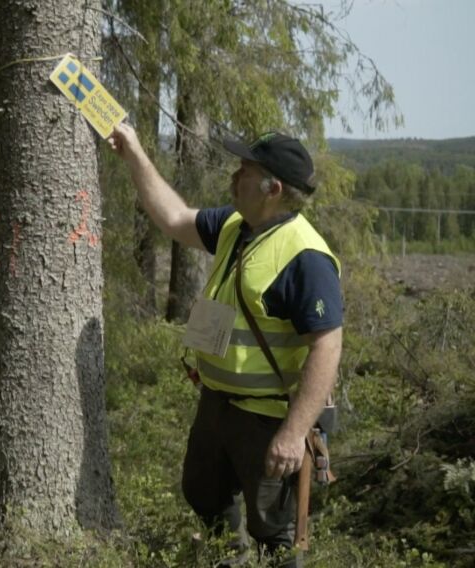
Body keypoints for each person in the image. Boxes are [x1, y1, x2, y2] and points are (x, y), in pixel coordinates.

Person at [108, 123, 343, 567]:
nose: (234, 177)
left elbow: (328, 347)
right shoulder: (239, 226)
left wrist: (293, 435)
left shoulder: (305, 257)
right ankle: (228, 560)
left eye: (244, 170)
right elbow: (175, 219)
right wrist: (135, 153)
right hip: (217, 404)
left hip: (268, 419)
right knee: (203, 493)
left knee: (273, 531)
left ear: (272, 188)